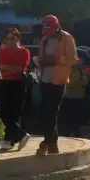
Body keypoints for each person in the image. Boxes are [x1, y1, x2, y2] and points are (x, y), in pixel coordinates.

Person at [36, 15, 79, 156]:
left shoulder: (67, 38)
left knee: (52, 112)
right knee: (44, 111)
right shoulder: (45, 39)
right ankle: (52, 144)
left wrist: (55, 60)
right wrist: (40, 61)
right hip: (45, 79)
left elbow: (73, 59)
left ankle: (46, 143)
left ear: (56, 27)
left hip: (59, 80)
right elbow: (41, 57)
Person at [0, 27, 31, 151]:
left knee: (14, 113)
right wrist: (7, 68)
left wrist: (5, 67)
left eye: (13, 38)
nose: (10, 41)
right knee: (2, 110)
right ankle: (21, 135)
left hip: (17, 84)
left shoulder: (24, 51)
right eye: (8, 38)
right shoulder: (0, 51)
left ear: (18, 38)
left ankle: (9, 140)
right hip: (4, 82)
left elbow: (18, 69)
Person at [62, 61, 89, 137]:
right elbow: (68, 84)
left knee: (77, 117)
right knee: (68, 116)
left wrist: (75, 83)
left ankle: (76, 133)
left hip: (78, 97)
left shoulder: (81, 72)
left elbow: (85, 82)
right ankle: (66, 132)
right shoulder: (67, 71)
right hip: (68, 97)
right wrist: (77, 83)